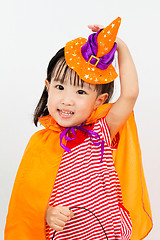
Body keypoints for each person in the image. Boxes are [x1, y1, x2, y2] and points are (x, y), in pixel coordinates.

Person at [5, 17, 152, 240]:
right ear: (48, 87)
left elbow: (130, 94)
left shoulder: (103, 130)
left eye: (81, 92)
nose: (67, 100)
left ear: (99, 100)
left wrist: (120, 45)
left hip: (106, 234)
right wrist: (47, 213)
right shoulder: (40, 144)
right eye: (60, 87)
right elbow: (28, 201)